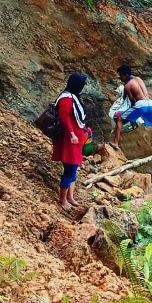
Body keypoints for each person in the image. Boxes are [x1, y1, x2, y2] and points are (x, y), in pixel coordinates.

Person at [52, 72, 90, 210]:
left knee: (74, 168)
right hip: (69, 139)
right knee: (70, 170)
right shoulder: (66, 98)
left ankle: (70, 197)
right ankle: (63, 200)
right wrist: (72, 134)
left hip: (76, 139)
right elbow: (64, 117)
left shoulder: (74, 97)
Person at [112, 65, 152, 154]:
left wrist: (132, 116)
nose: (120, 78)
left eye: (121, 75)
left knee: (119, 118)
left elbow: (133, 102)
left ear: (125, 75)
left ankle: (115, 143)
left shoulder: (127, 86)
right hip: (150, 104)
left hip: (140, 105)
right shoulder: (139, 79)